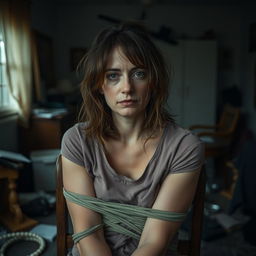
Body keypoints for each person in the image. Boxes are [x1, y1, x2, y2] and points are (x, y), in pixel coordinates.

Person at [61, 22, 204, 256]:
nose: (127, 87)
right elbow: (88, 234)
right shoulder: (78, 140)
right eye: (113, 76)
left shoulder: (184, 147)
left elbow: (154, 240)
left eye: (138, 74)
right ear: (99, 85)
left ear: (153, 82)